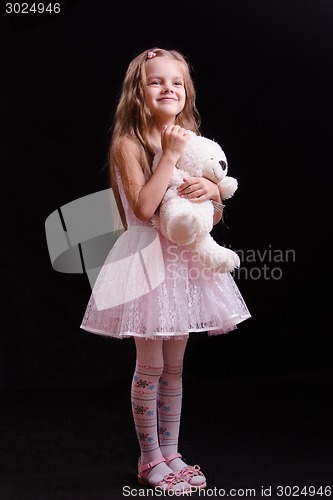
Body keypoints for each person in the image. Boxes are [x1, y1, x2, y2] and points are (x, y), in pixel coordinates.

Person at [80, 47, 251, 494]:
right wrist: (171, 158)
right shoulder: (130, 143)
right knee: (150, 365)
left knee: (175, 368)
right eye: (156, 81)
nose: (168, 88)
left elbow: (210, 217)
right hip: (145, 262)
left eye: (176, 82)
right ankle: (149, 459)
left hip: (184, 264)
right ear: (139, 93)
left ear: (186, 92)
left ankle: (171, 452)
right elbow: (143, 206)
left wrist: (211, 189)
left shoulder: (190, 139)